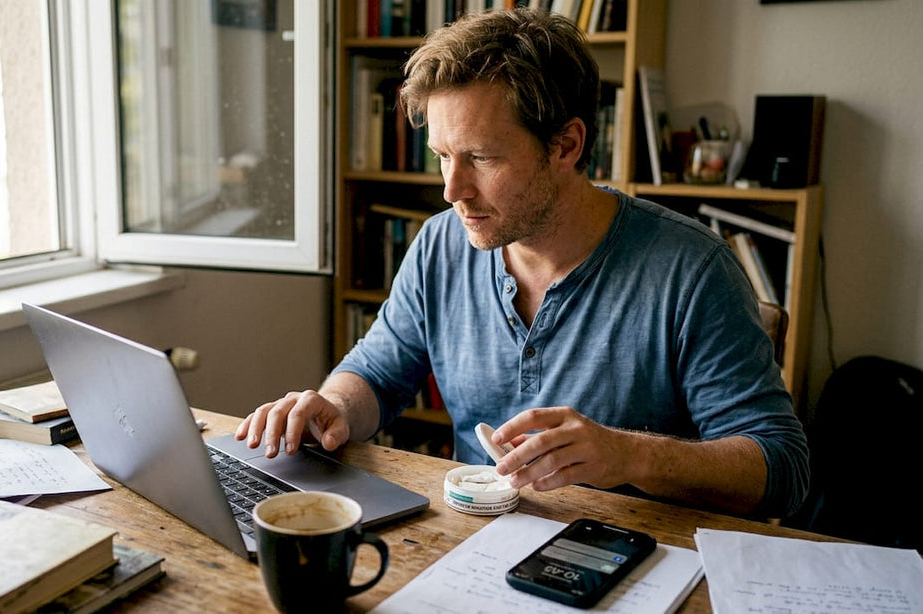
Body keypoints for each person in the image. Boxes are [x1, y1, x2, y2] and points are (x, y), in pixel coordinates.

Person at [236, 8, 809, 519]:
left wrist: (628, 454)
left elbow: (781, 471)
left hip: (635, 557)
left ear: (566, 146)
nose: (451, 190)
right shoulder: (440, 245)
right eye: (442, 157)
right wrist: (331, 405)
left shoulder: (692, 269)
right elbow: (377, 377)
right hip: (473, 543)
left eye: (480, 158)